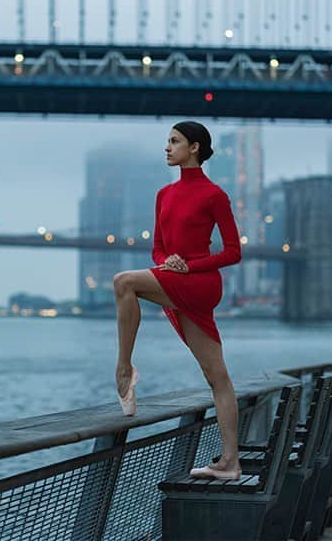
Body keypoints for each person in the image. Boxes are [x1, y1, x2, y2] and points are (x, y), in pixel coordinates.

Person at [113, 120, 243, 480]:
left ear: (195, 147)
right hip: (175, 277)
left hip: (201, 284)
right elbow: (158, 247)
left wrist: (189, 266)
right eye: (167, 141)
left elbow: (233, 252)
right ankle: (230, 463)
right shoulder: (163, 196)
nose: (167, 147)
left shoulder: (214, 195)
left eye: (175, 141)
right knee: (217, 376)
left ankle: (124, 371)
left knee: (124, 282)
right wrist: (165, 263)